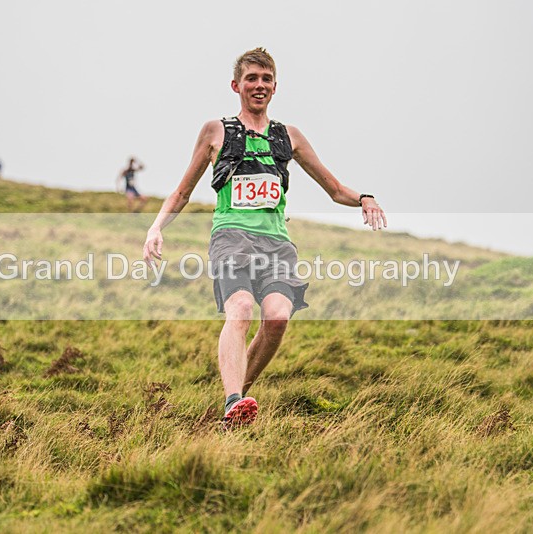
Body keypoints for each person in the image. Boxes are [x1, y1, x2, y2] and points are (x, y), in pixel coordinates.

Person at [142, 48, 387, 429]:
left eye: (266, 79)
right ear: (236, 85)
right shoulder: (215, 131)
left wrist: (364, 198)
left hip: (277, 243)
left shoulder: (288, 136)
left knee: (277, 318)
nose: (259, 86)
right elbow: (182, 192)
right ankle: (232, 400)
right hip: (232, 238)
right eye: (252, 79)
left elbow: (334, 188)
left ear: (275, 87)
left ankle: (240, 398)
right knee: (240, 309)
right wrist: (155, 227)